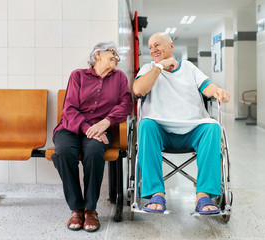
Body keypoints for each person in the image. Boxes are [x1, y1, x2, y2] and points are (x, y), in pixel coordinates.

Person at [132, 32, 230, 215]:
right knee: (145, 125)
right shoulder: (148, 68)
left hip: (193, 130)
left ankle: (203, 196)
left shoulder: (189, 67)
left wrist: (218, 90)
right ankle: (156, 194)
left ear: (171, 46)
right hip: (160, 131)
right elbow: (138, 89)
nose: (153, 50)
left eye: (158, 45)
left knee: (213, 126)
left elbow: (207, 87)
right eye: (151, 47)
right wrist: (159, 67)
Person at [51, 42, 133, 232]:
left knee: (94, 151)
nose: (116, 58)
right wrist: (88, 128)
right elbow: (69, 109)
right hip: (70, 128)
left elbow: (126, 104)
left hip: (101, 130)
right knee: (63, 152)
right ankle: (75, 208)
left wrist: (105, 122)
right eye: (112, 53)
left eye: (118, 56)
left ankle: (90, 209)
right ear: (98, 54)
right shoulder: (78, 75)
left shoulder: (119, 77)